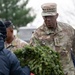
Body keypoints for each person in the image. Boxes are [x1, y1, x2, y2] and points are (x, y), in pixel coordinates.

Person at [30, 3, 75, 75]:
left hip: (68, 72)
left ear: (56, 16)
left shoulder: (68, 30)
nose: (48, 19)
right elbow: (33, 58)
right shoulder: (37, 35)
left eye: (50, 16)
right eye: (45, 17)